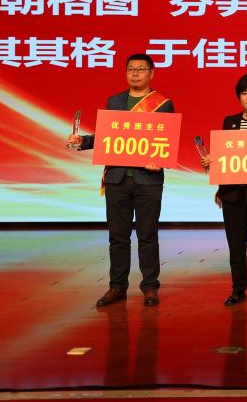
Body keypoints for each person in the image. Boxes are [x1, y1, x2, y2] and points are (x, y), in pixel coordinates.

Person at [67, 53, 174, 308]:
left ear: (151, 73)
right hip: (117, 178)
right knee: (118, 236)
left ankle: (150, 286)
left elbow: (166, 140)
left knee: (147, 235)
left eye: (140, 69)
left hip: (148, 179)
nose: (135, 73)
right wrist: (84, 141)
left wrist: (160, 159)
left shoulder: (162, 104)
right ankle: (117, 287)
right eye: (130, 69)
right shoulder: (114, 101)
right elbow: (109, 136)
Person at [199, 74, 247, 306]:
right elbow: (225, 156)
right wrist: (211, 162)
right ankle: (238, 290)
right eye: (245, 92)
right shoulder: (230, 122)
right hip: (233, 194)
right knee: (236, 244)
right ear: (239, 97)